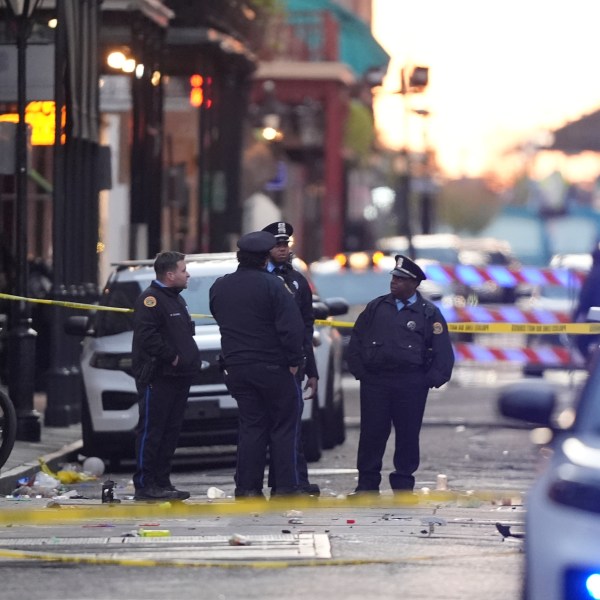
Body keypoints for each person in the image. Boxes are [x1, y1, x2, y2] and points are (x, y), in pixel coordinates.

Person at [346, 254, 455, 495]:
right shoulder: (376, 307)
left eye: (401, 279)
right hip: (376, 382)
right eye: (394, 277)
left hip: (411, 383)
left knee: (407, 435)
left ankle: (403, 486)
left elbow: (442, 350)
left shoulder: (428, 313)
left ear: (414, 284)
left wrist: (430, 380)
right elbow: (356, 341)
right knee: (372, 434)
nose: (394, 282)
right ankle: (367, 486)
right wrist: (361, 372)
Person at [209, 231, 306, 499]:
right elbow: (291, 328)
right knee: (283, 427)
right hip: (274, 367)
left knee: (251, 427)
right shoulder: (274, 286)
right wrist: (295, 361)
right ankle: (285, 487)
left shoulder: (220, 286)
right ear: (265, 258)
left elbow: (219, 316)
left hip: (238, 368)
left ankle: (247, 488)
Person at [131, 251, 201, 501]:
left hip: (178, 377)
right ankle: (145, 484)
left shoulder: (175, 299)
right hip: (158, 377)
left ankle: (162, 482)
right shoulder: (151, 300)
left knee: (170, 432)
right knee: (152, 430)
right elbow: (147, 337)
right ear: (170, 274)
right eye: (183, 270)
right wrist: (172, 356)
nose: (187, 274)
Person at [262, 221, 320, 496]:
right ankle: (278, 483)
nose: (282, 250)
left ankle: (296, 481)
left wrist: (312, 368)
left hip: (293, 365)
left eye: (285, 245)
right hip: (266, 363)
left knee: (292, 427)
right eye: (277, 245)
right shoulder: (259, 277)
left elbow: (306, 327)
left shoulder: (297, 280)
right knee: (267, 428)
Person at [573, 243, 600, 362]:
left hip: (595, 314)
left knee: (582, 342)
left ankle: (592, 367)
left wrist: (577, 315)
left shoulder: (595, 273)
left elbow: (586, 297)